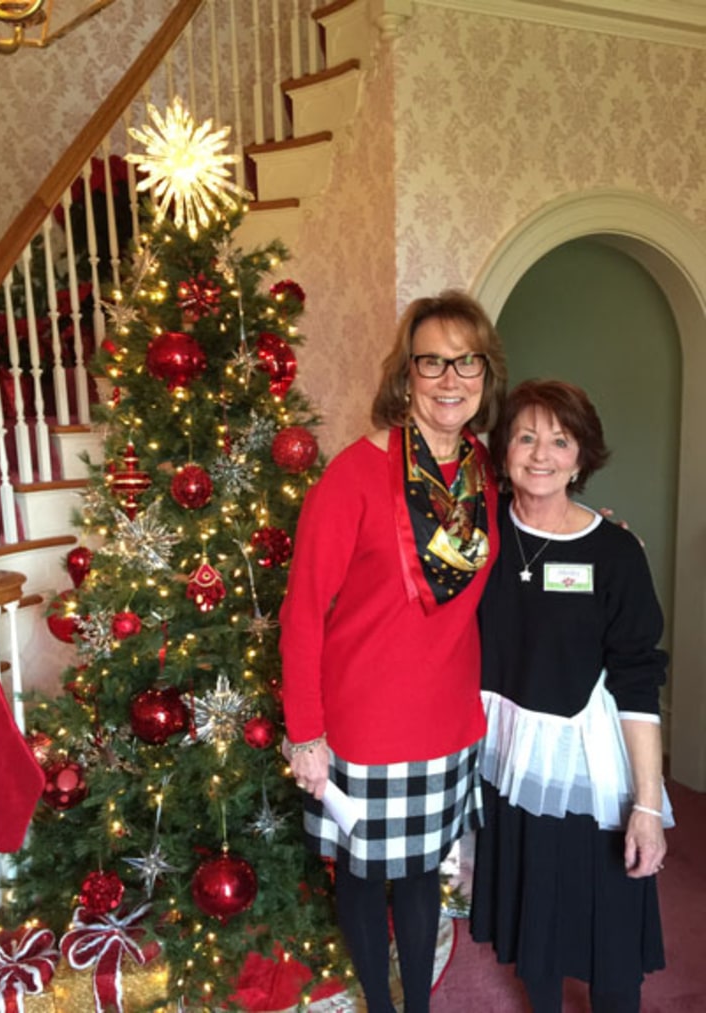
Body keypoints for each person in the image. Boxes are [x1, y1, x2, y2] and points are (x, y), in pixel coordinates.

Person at [279, 290, 507, 1012]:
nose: (450, 378)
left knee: (419, 877)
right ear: (405, 375)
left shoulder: (481, 471)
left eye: (465, 361)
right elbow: (302, 613)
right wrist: (305, 733)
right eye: (432, 361)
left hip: (449, 718)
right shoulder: (351, 475)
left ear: (485, 374)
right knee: (362, 877)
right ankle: (380, 1002)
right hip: (365, 725)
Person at [470, 379, 673, 1013]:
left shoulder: (615, 554)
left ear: (582, 457)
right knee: (534, 928)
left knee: (608, 938)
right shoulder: (476, 537)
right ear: (503, 450)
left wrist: (646, 806)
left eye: (560, 440)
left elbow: (638, 683)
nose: (541, 454)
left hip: (589, 768)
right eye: (526, 437)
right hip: (505, 762)